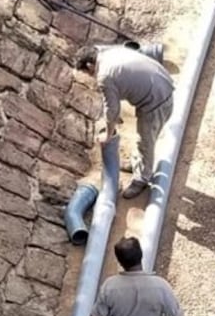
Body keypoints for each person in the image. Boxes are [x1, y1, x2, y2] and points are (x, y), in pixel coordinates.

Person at [74, 44, 175, 199]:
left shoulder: (104, 75)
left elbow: (111, 110)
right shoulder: (106, 51)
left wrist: (108, 134)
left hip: (157, 100)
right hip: (161, 82)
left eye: (88, 73)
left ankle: (142, 178)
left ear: (89, 65)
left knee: (145, 140)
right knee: (141, 137)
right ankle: (137, 164)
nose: (90, 77)